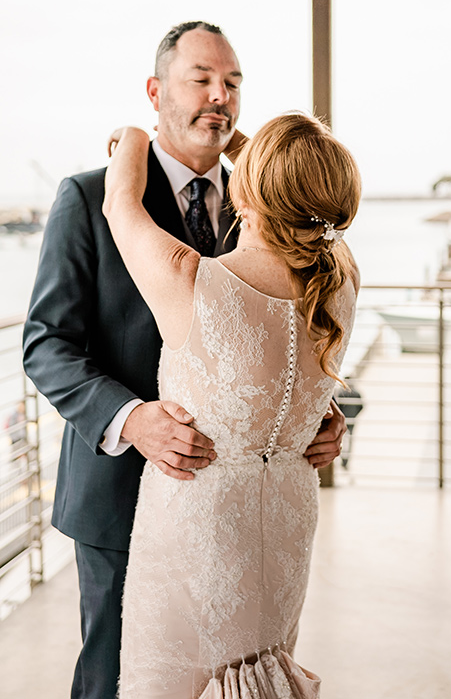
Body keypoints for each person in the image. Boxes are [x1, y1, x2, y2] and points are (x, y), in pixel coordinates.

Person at [22, 21, 346, 699]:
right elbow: (45, 341)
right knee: (117, 678)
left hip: (245, 527)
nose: (218, 96)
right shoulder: (87, 196)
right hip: (119, 498)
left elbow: (283, 335)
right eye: (200, 79)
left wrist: (316, 410)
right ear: (156, 90)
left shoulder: (265, 200)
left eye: (231, 82)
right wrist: (131, 417)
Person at [103, 113, 361, 698]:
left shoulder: (194, 281)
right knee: (258, 668)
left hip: (199, 530)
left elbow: (120, 204)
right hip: (287, 521)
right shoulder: (342, 279)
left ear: (246, 189)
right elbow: (292, 186)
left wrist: (134, 136)